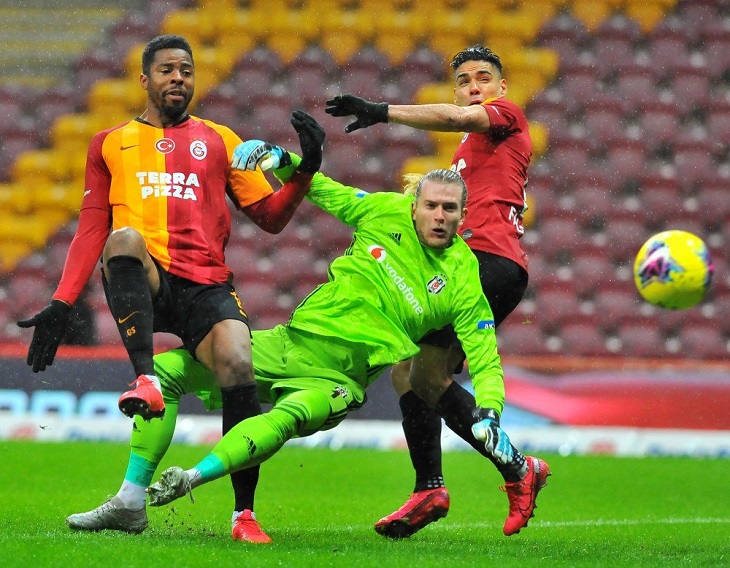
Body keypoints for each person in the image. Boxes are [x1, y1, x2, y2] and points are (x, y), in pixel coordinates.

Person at [138, 151, 549, 538]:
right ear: (414, 206)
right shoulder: (383, 210)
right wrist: (283, 160)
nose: (439, 217)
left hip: (337, 380)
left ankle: (193, 477)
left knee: (285, 418)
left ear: (464, 215)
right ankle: (128, 497)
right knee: (164, 371)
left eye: (449, 209)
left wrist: (491, 411)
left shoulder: (463, 280)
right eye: (431, 206)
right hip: (288, 342)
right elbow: (321, 188)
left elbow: (485, 358)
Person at [18, 34, 325, 543]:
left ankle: (242, 515)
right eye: (166, 70)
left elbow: (270, 218)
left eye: (186, 70)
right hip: (147, 275)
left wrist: (305, 171)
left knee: (237, 362)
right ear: (145, 79)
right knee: (123, 237)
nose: (177, 78)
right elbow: (92, 227)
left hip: (205, 284)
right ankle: (146, 380)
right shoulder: (110, 143)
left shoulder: (222, 140)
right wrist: (61, 300)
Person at [325, 45, 536, 537]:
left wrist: (381, 112)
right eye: (464, 81)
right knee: (414, 374)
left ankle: (502, 472)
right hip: (466, 266)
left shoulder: (507, 116)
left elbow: (449, 117)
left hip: (490, 264)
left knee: (418, 373)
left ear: (501, 88)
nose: (474, 86)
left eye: (484, 78)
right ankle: (442, 486)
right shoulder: (464, 155)